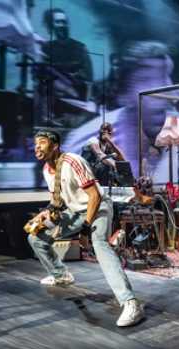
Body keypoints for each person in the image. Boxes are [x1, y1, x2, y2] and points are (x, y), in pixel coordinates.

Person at [28, 130, 144, 327]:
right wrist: (46, 214)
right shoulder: (47, 170)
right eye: (35, 143)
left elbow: (95, 196)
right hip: (75, 212)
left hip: (98, 208)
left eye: (42, 142)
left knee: (99, 245)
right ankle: (61, 275)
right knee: (36, 237)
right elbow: (58, 201)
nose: (37, 147)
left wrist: (86, 227)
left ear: (55, 145)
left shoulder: (73, 161)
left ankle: (130, 302)